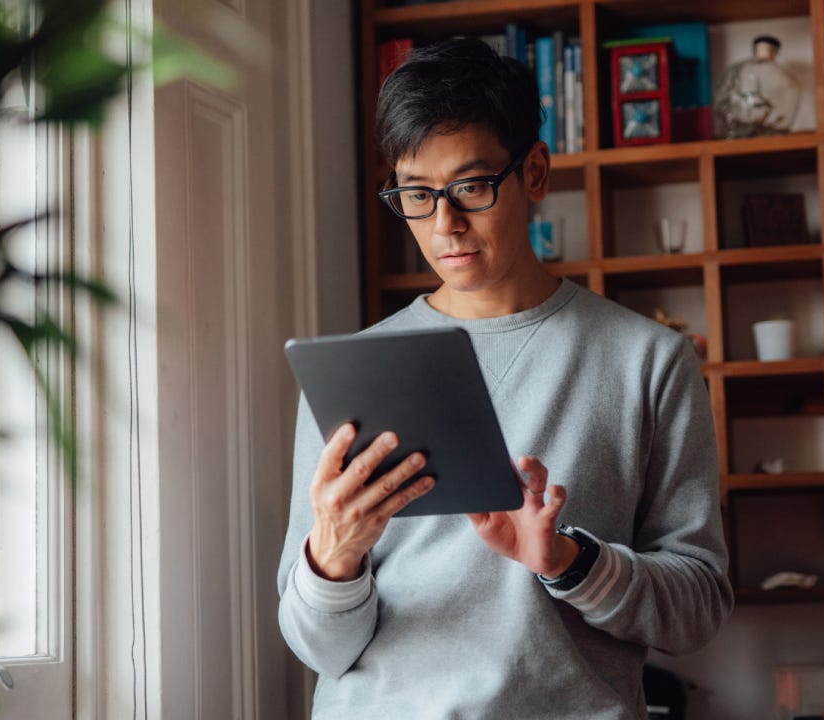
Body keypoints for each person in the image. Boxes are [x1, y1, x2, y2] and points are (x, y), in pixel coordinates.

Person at [277, 37, 732, 719]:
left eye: (470, 186)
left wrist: (571, 562)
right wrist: (333, 560)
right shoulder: (352, 373)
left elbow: (698, 609)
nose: (445, 224)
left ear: (535, 172)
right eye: (416, 194)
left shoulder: (648, 360)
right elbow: (317, 648)